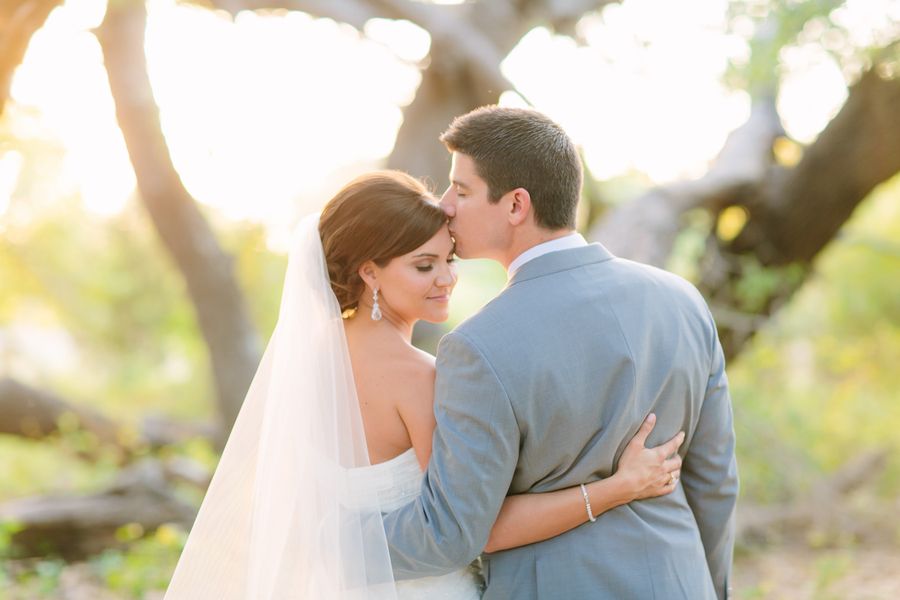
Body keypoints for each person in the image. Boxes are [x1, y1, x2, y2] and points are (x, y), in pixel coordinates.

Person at [163, 170, 684, 599]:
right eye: (423, 265)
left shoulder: (305, 360)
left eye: (448, 260)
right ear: (370, 273)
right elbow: (475, 531)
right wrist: (617, 488)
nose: (446, 279)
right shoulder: (419, 378)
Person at [381, 107, 739, 600]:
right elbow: (715, 481)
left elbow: (451, 533)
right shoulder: (682, 300)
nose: (445, 206)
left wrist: (323, 539)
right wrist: (710, 587)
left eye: (461, 190)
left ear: (515, 205)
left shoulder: (477, 346)